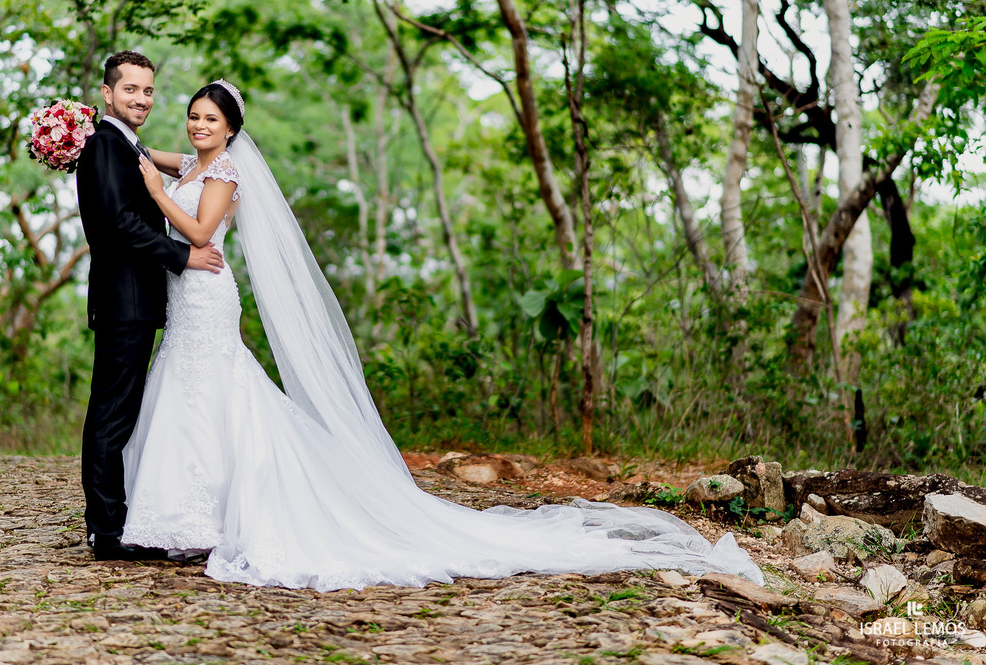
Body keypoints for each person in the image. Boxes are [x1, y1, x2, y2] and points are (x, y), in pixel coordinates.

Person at [120, 78, 764, 590]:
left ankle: (224, 516)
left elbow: (200, 233)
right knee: (190, 397)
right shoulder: (195, 163)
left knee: (217, 394)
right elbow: (150, 155)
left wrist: (154, 186)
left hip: (207, 291)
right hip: (187, 300)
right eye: (193, 117)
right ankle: (183, 518)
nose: (197, 126)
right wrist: (109, 135)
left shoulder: (226, 174)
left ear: (230, 129)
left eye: (210, 119)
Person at [74, 51, 224, 562]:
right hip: (124, 301)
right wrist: (184, 254)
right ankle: (107, 532)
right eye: (131, 89)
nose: (141, 98)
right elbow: (118, 224)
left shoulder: (127, 145)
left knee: (122, 414)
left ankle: (118, 521)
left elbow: (193, 170)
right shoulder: (102, 145)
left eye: (148, 91)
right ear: (107, 93)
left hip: (139, 301)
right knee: (111, 416)